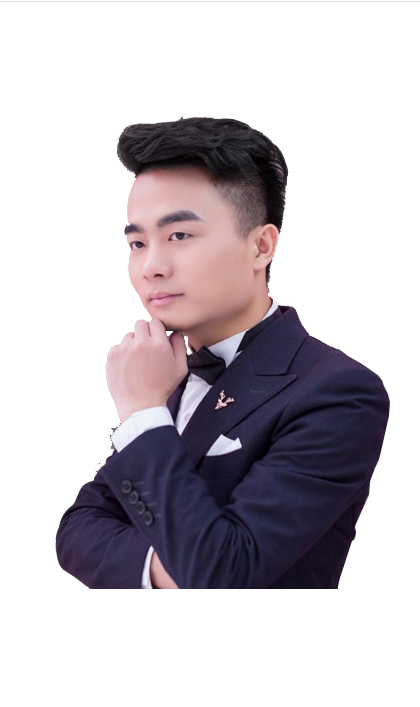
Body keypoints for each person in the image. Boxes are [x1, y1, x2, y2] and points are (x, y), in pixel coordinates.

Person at [55, 115, 390, 589]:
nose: (151, 266)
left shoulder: (339, 392)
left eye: (179, 236)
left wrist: (143, 412)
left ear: (261, 247)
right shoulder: (165, 373)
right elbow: (75, 532)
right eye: (137, 242)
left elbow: (222, 573)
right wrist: (164, 569)